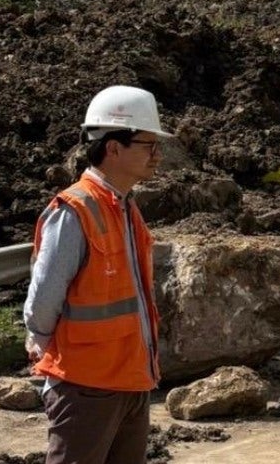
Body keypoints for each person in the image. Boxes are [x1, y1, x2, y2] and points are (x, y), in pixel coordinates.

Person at [23, 85, 170, 464]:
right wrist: (40, 339)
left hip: (131, 380)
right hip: (86, 388)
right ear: (113, 147)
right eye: (148, 144)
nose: (157, 155)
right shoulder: (75, 210)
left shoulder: (124, 207)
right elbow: (44, 298)